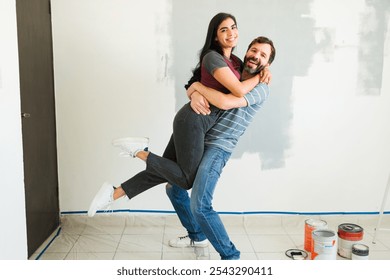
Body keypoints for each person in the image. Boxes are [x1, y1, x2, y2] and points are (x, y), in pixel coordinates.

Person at [88, 13, 269, 217]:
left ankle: (113, 194)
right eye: (223, 29)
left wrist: (194, 89)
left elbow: (192, 82)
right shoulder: (213, 57)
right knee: (185, 180)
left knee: (161, 171)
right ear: (215, 36)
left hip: (194, 120)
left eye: (233, 27)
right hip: (194, 121)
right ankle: (139, 150)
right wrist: (262, 77)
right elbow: (236, 90)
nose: (231, 33)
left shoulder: (235, 61)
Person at [166, 36, 276, 260]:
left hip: (219, 147)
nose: (256, 56)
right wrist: (194, 89)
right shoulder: (231, 68)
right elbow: (196, 84)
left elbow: (226, 101)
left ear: (268, 64)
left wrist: (197, 87)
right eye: (254, 50)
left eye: (263, 55)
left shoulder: (262, 88)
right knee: (173, 188)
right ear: (246, 52)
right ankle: (197, 236)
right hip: (199, 138)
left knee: (200, 205)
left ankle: (231, 257)